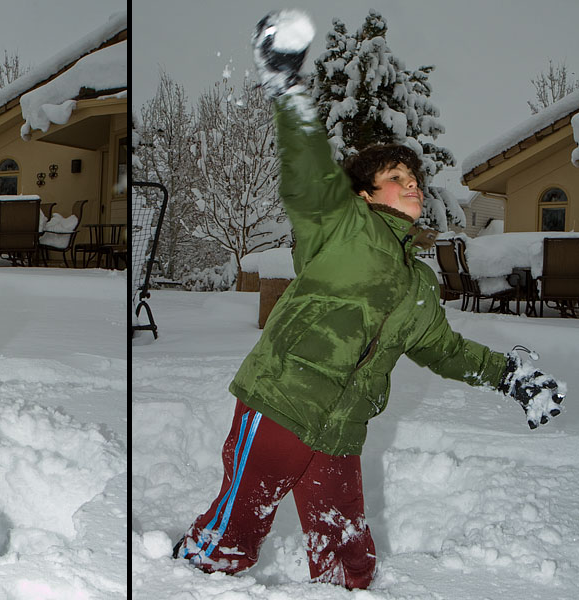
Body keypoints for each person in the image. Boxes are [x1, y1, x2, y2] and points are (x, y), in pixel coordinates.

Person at [173, 10, 566, 590]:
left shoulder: (419, 284)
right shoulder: (340, 225)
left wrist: (508, 375)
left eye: (416, 178)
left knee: (347, 556)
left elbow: (445, 349)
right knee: (232, 536)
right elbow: (306, 165)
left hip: (341, 426)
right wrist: (286, 85)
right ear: (362, 192)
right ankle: (172, 583)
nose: (413, 184)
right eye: (395, 176)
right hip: (282, 402)